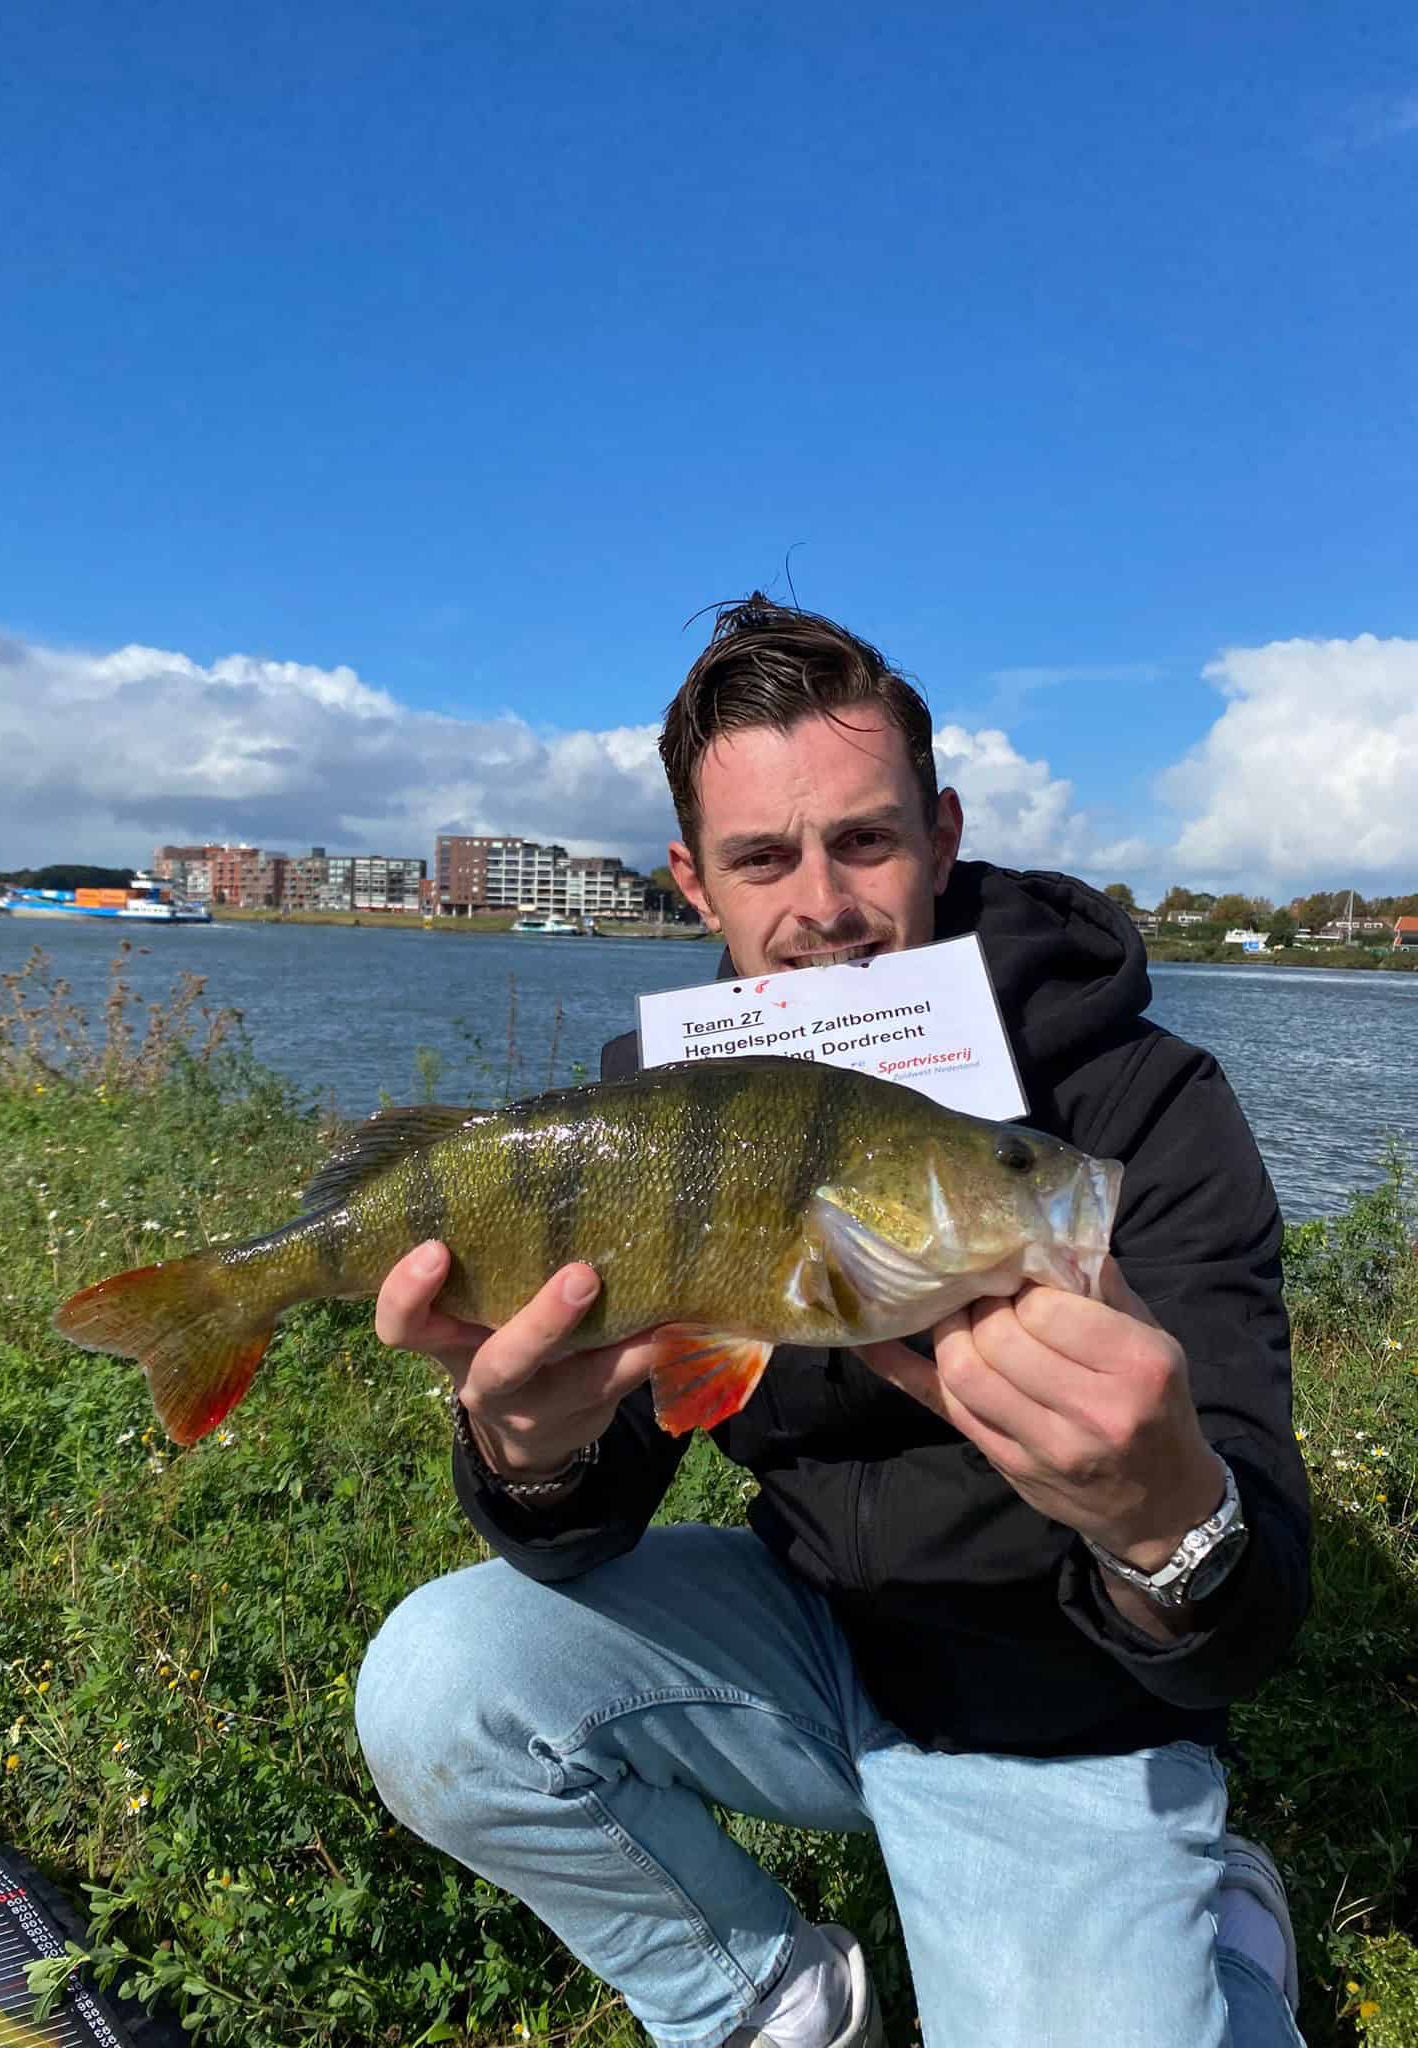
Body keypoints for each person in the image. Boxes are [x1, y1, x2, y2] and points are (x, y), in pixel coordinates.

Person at [356, 598, 1311, 2048]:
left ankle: (1214, 1925)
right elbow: (593, 1519)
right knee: (442, 1683)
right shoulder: (654, 1109)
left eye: (865, 840)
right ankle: (772, 1999)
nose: (821, 908)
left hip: (1057, 1713)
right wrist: (533, 1455)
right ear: (694, 882)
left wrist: (1162, 1517)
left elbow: (1249, 1615)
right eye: (761, 857)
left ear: (941, 831)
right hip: (800, 1642)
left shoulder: (1138, 1112)